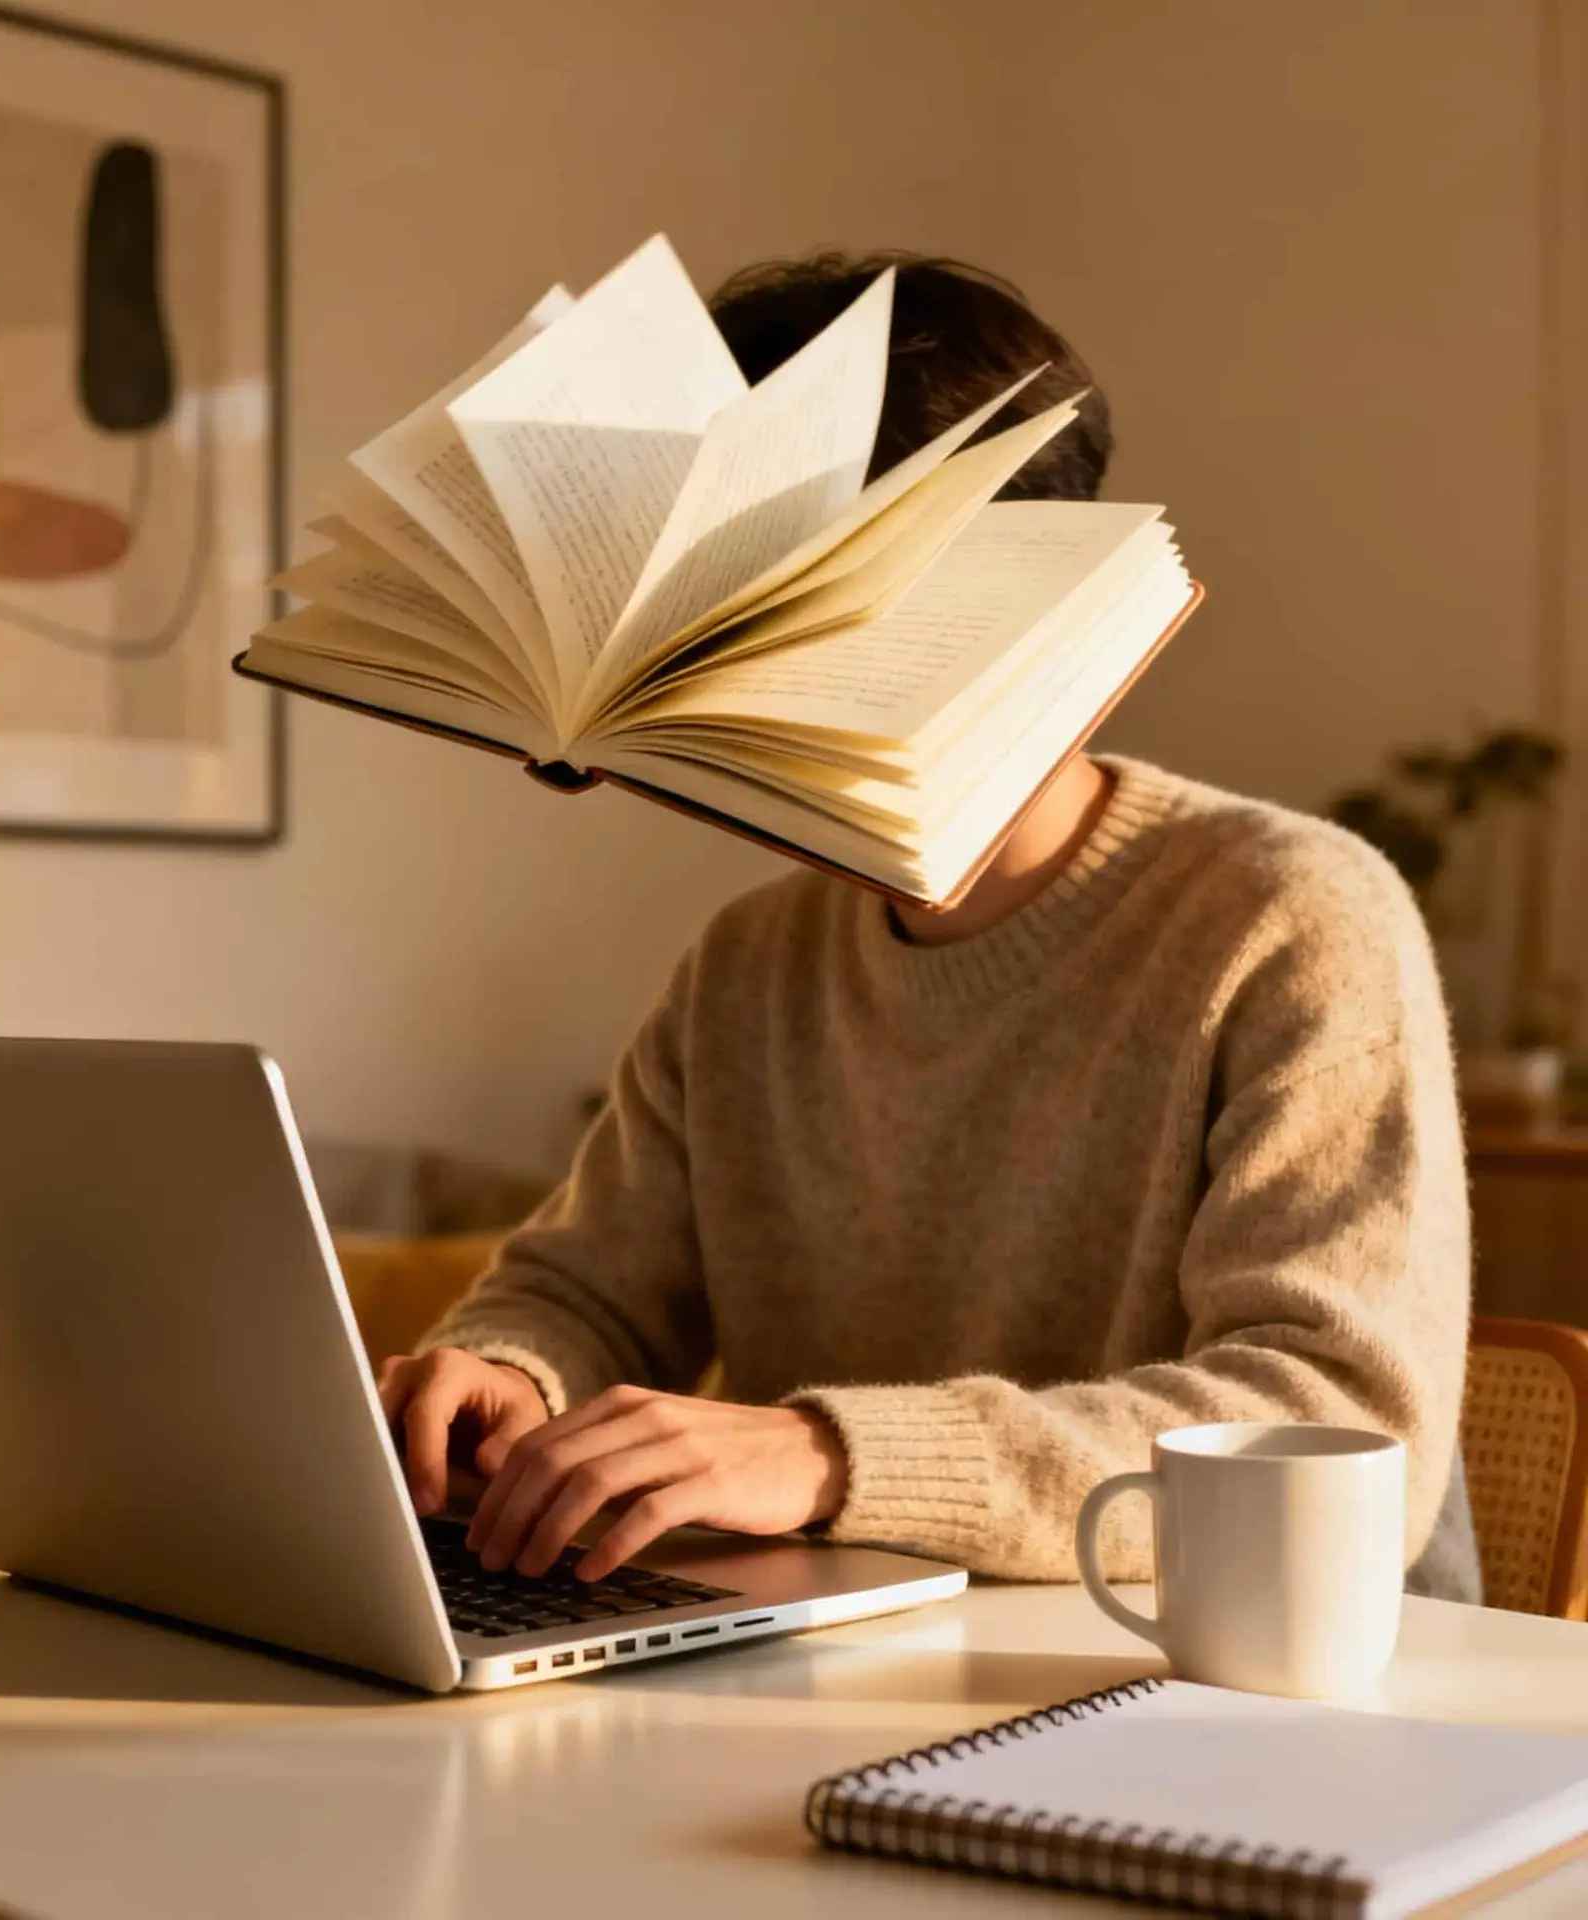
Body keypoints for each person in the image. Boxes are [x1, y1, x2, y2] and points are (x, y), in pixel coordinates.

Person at [376, 251, 1481, 1602]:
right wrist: (508, 1370)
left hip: (1237, 1698)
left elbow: (1332, 1425)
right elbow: (588, 1293)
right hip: (863, 1667)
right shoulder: (748, 967)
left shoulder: (1293, 913)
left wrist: (829, 1457)